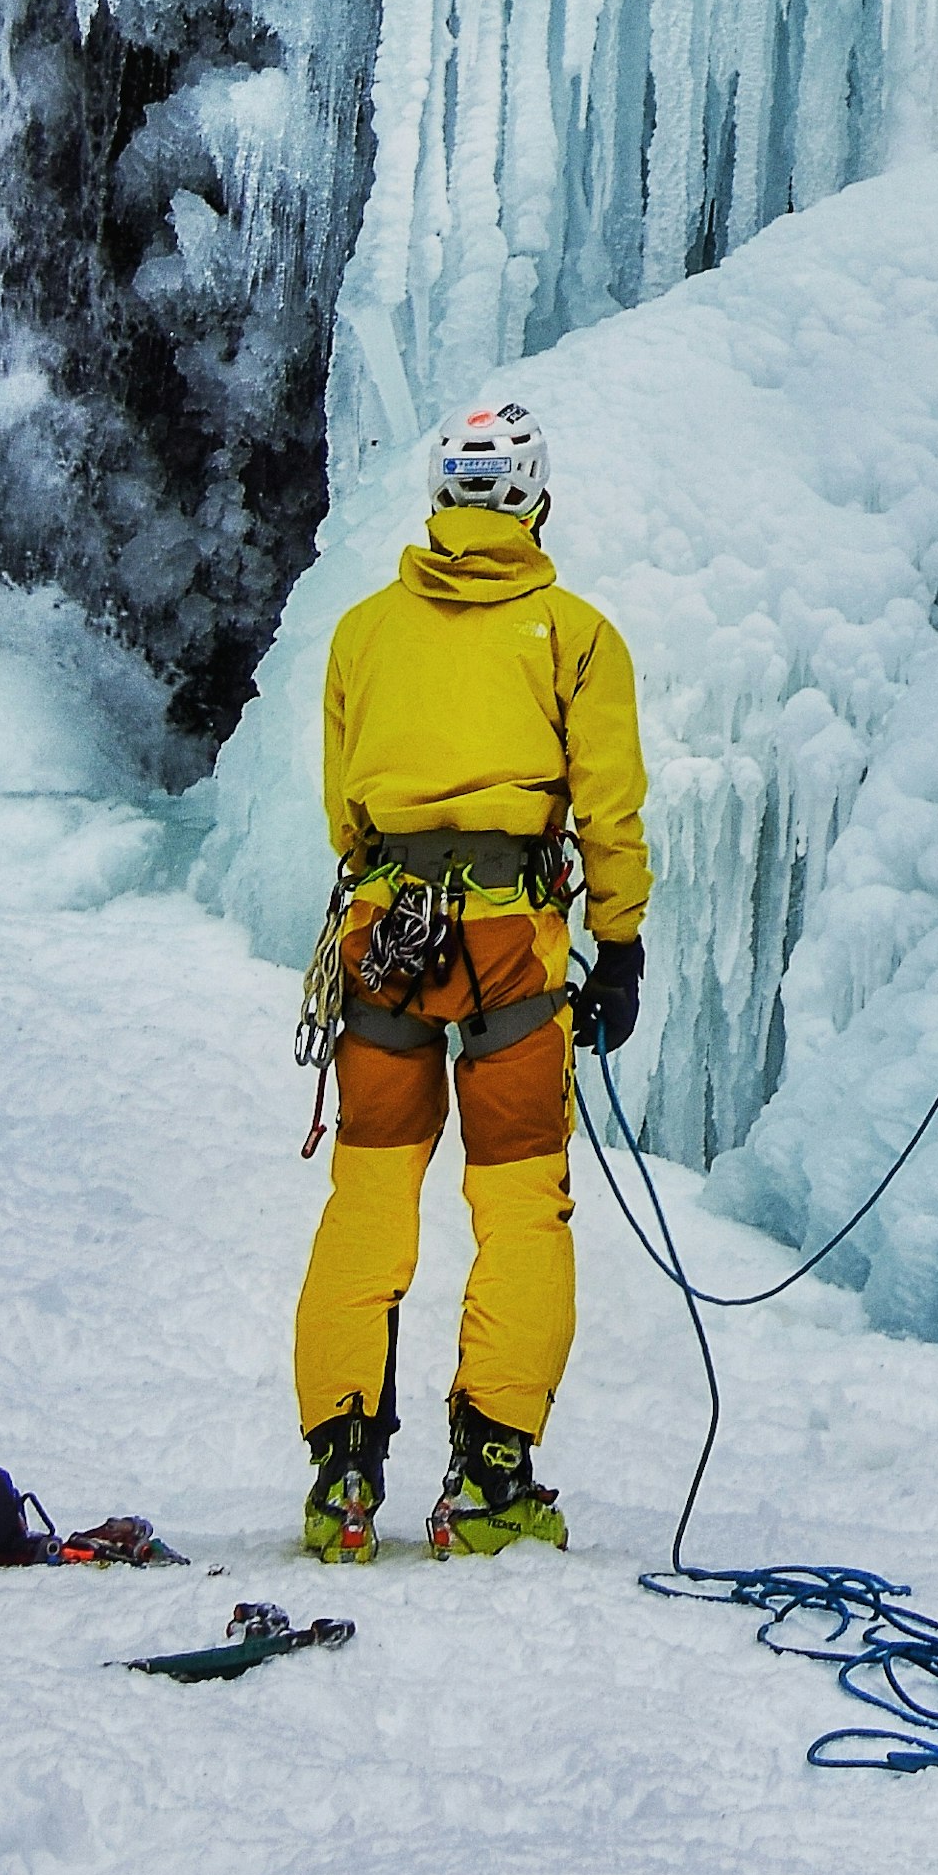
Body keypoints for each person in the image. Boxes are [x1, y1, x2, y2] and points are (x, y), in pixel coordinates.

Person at [292, 399, 650, 1564]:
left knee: (369, 1195)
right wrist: (623, 941)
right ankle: (493, 1474)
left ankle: (342, 1477)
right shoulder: (576, 634)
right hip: (510, 946)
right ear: (537, 496)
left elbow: (347, 807)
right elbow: (607, 808)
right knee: (519, 1203)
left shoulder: (362, 632)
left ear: (439, 498)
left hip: (386, 938)